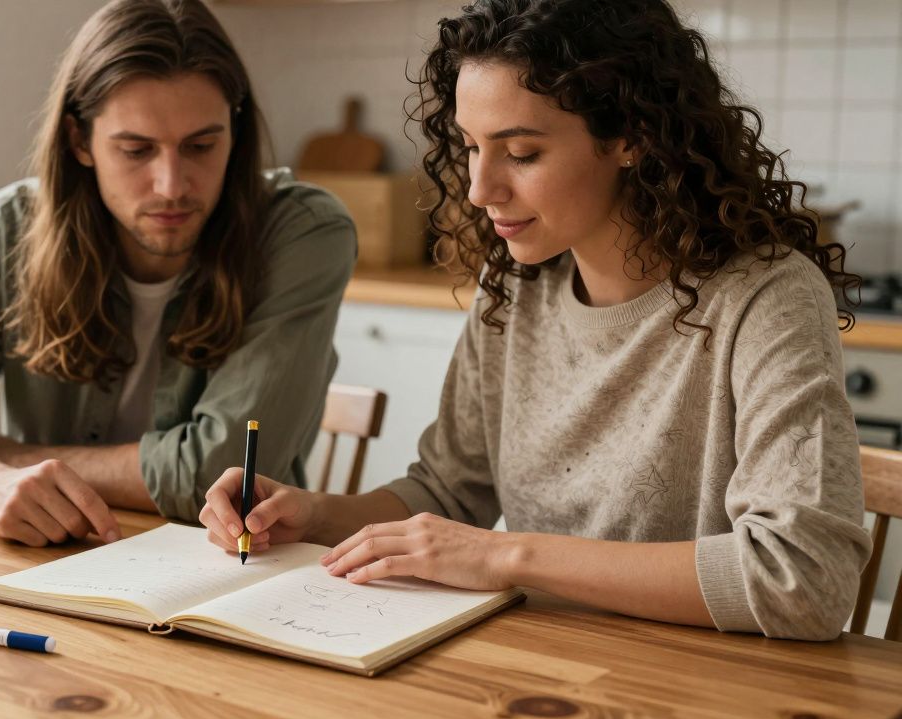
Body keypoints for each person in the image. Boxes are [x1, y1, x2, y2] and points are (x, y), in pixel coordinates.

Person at [199, 0, 872, 641]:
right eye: (470, 146)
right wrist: (311, 513)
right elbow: (445, 493)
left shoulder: (767, 297)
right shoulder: (515, 284)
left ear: (631, 137)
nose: (478, 189)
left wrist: (505, 557)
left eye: (520, 153)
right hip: (534, 671)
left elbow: (804, 578)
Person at [0, 0, 355, 547]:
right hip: (52, 561)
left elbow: (227, 474)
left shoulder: (302, 232)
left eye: (202, 145)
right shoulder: (8, 229)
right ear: (79, 141)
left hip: (234, 573)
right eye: (136, 150)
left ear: (236, 130)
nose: (171, 185)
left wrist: (16, 457)